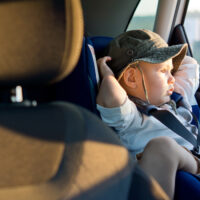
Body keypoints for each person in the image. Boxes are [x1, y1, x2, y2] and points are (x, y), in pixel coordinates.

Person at [96, 29, 200, 199]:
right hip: (188, 165)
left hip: (193, 159)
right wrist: (107, 74)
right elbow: (110, 98)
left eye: (171, 71)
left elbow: (190, 64)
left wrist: (164, 65)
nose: (172, 78)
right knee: (163, 147)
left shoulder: (177, 99)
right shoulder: (131, 116)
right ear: (131, 78)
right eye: (163, 71)